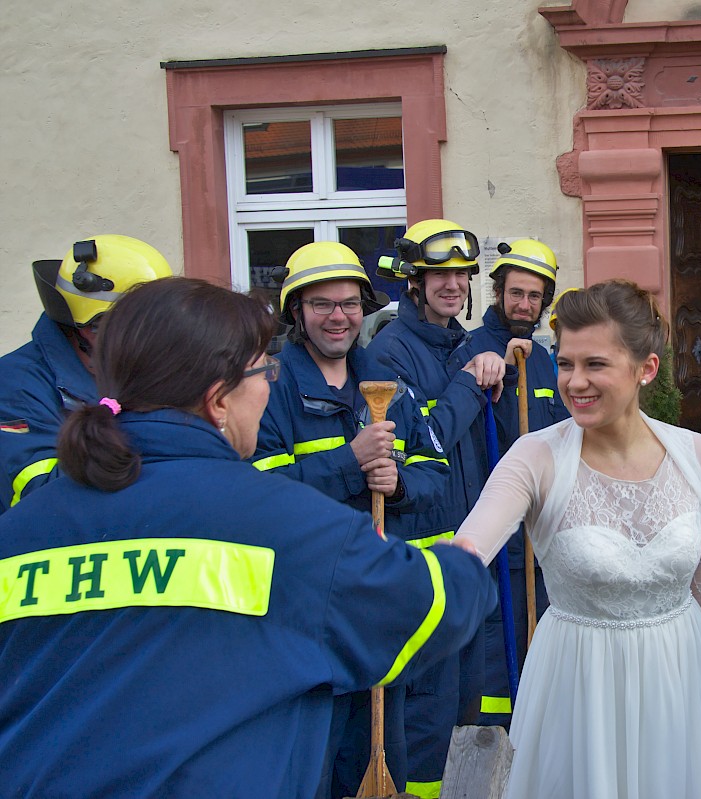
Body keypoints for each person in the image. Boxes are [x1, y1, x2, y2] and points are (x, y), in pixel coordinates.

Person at [0, 277, 494, 798]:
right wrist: (461, 565)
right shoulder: (286, 528)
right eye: (264, 371)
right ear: (218, 400)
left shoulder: (20, 530)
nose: (268, 387)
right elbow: (430, 605)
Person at [451, 279, 701, 798]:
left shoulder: (693, 453)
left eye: (595, 365)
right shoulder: (535, 457)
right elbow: (467, 553)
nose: (574, 382)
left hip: (683, 679)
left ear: (645, 369)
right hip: (579, 685)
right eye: (566, 363)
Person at [251, 241, 452, 796]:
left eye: (348, 304)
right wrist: (350, 464)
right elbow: (260, 495)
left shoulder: (389, 381)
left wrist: (401, 483)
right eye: (321, 305)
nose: (338, 317)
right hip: (302, 608)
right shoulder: (270, 388)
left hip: (375, 598)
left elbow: (437, 470)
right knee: (312, 757)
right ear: (297, 312)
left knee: (380, 743)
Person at [367, 218, 508, 799]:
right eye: (439, 275)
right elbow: (430, 440)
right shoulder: (388, 352)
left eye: (460, 274)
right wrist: (473, 385)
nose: (452, 285)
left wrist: (502, 362)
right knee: (425, 701)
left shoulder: (467, 341)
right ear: (413, 282)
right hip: (419, 540)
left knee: (467, 690)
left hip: (468, 534)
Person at [466, 238, 571, 726]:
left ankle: (539, 736)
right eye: (515, 294)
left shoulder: (548, 358)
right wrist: (500, 368)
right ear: (498, 293)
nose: (524, 305)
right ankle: (496, 746)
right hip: (500, 537)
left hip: (545, 535)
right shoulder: (477, 351)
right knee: (498, 651)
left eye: (533, 296)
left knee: (543, 642)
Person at [0, 235, 172, 514]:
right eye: (149, 327)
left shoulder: (127, 371)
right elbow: (39, 496)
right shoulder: (14, 387)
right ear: (93, 328)